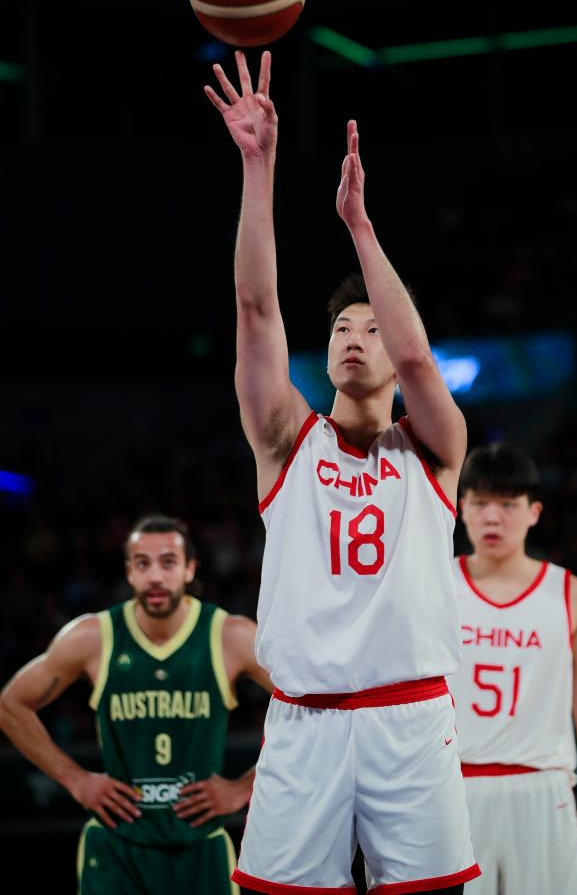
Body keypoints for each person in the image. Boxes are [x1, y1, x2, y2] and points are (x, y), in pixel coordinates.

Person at [204, 50, 480, 893]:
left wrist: (360, 226)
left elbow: (422, 359)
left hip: (409, 720)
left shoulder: (432, 449)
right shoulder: (287, 439)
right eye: (339, 329)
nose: (353, 338)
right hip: (304, 726)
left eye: (368, 328)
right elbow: (256, 311)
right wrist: (259, 166)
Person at [0, 514, 273, 895]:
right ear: (129, 572)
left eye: (168, 562)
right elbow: (10, 705)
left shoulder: (229, 635)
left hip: (199, 844)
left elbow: (310, 707)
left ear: (190, 568)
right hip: (116, 847)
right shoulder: (94, 636)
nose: (156, 576)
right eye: (143, 563)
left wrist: (244, 788)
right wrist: (74, 779)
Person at [446, 444, 577, 894]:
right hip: (450, 793)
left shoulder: (574, 593)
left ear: (534, 512)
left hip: (545, 793)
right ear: (460, 507)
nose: (493, 518)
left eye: (508, 505)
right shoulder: (434, 586)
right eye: (481, 503)